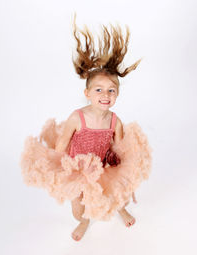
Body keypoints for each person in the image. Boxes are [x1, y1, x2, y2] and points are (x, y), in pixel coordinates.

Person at [20, 15, 152, 241]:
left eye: (111, 90)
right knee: (78, 208)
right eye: (98, 90)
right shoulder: (77, 118)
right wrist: (61, 168)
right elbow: (61, 145)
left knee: (114, 191)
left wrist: (117, 160)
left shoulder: (114, 121)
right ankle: (83, 221)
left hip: (101, 164)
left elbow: (118, 145)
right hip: (78, 167)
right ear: (87, 94)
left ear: (117, 95)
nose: (105, 95)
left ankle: (120, 208)